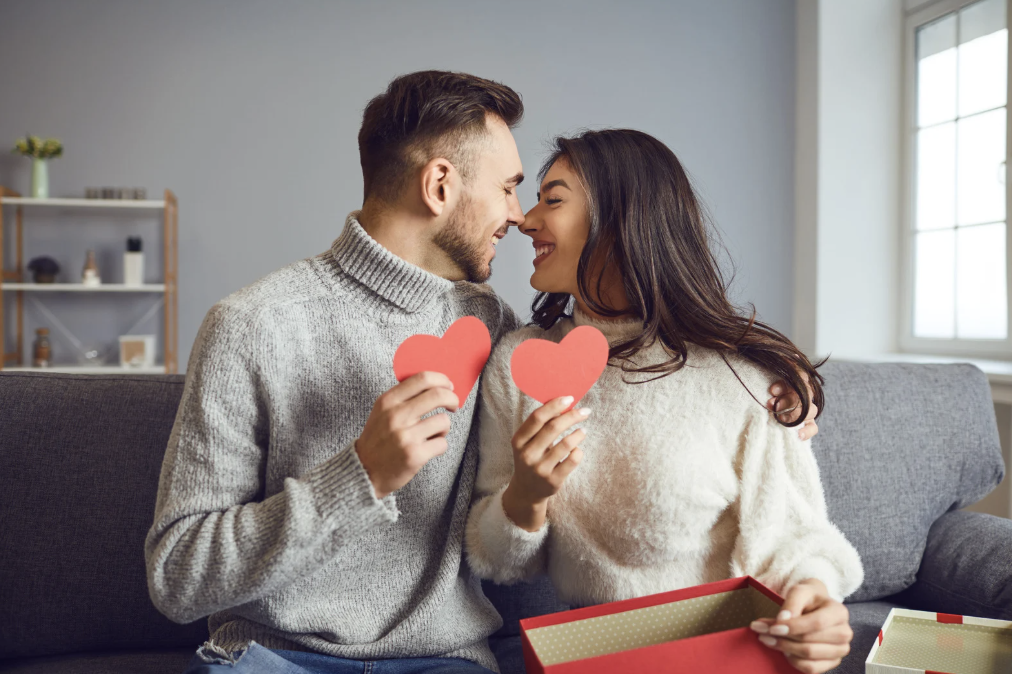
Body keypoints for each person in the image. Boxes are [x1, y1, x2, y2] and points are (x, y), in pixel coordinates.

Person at [145, 71, 817, 674]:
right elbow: (176, 578)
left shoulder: (495, 330)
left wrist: (784, 380)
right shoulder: (252, 326)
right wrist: (357, 478)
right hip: (275, 659)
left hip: (443, 661)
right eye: (508, 189)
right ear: (440, 185)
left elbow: (629, 338)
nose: (520, 217)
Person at [465, 129, 861, 674]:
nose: (527, 220)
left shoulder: (745, 377)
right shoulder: (520, 362)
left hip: (730, 654)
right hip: (597, 658)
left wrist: (816, 600)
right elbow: (497, 560)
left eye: (552, 199)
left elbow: (795, 538)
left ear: (624, 218)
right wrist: (526, 497)